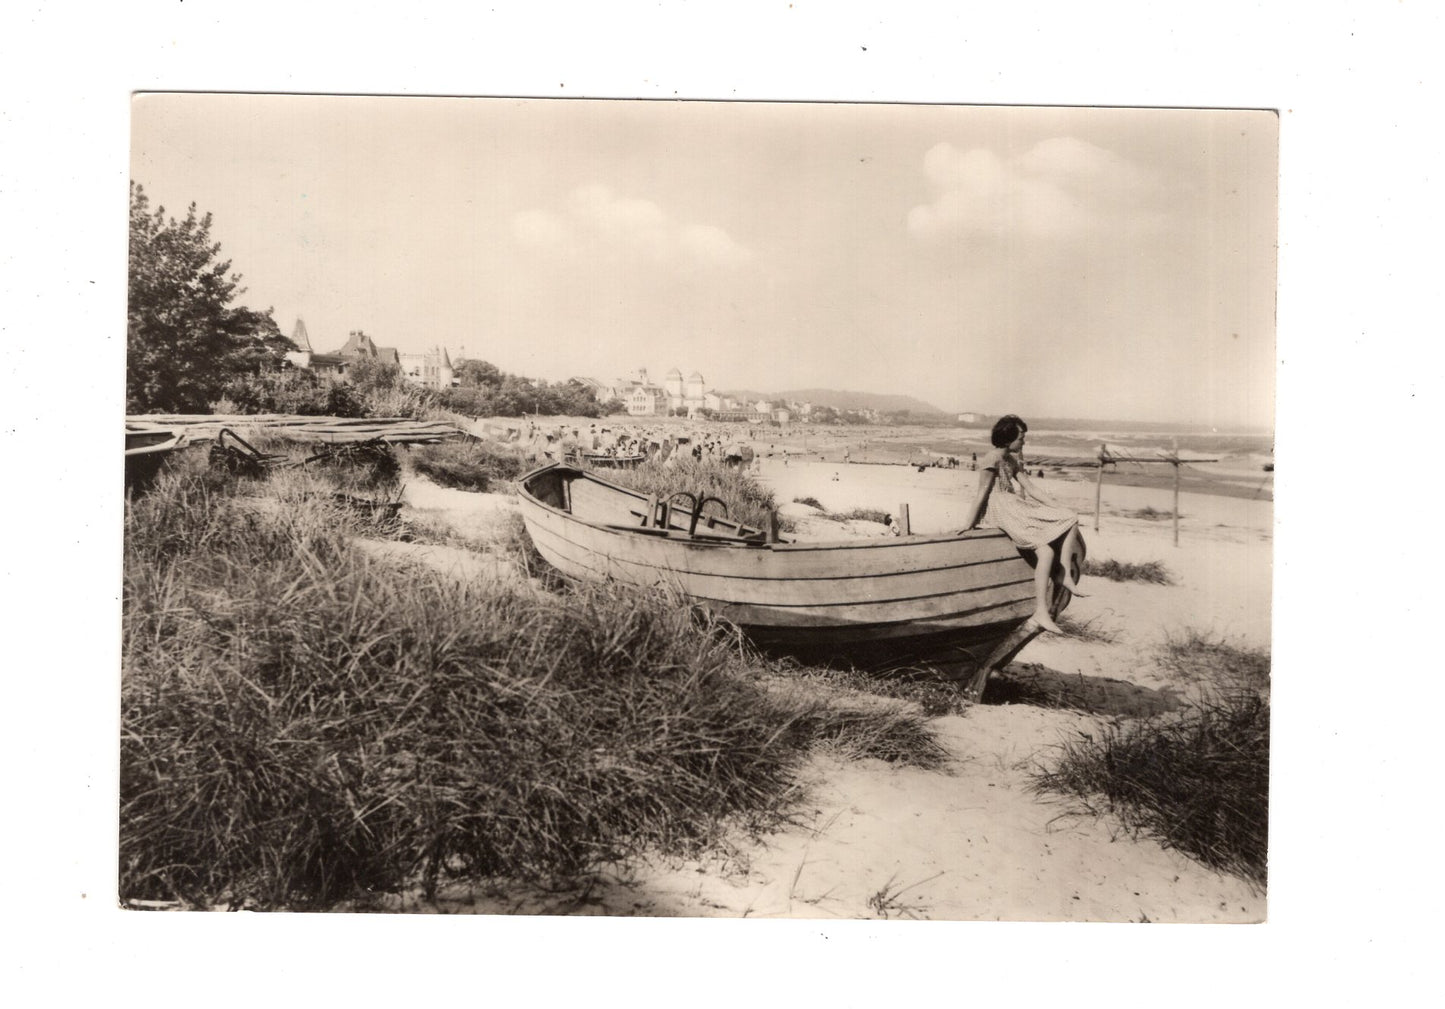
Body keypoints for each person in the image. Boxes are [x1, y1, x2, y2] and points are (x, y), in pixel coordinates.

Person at [961, 415, 1085, 634]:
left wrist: (1058, 506)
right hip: (1001, 509)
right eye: (1021, 438)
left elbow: (1032, 489)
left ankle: (1063, 574)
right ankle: (1041, 611)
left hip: (1016, 506)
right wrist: (968, 524)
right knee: (1046, 552)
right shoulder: (991, 458)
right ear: (1007, 438)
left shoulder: (1011, 460)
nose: (1023, 442)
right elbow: (982, 493)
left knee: (1070, 517)